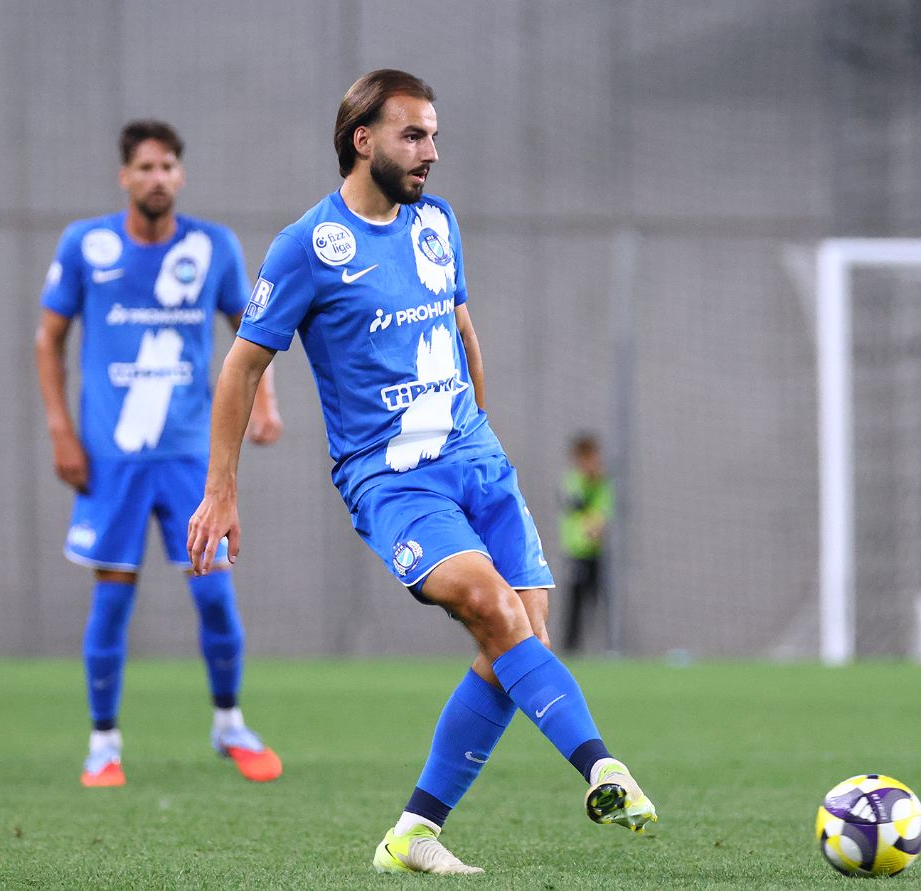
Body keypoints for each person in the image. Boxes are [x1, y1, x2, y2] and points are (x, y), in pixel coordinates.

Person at [187, 70, 657, 874]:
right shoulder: (308, 246)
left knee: (520, 634)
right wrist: (220, 490)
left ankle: (413, 833)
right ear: (362, 139)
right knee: (493, 607)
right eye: (413, 135)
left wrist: (480, 436)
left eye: (434, 135)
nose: (431, 151)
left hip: (475, 460)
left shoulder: (437, 223)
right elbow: (241, 368)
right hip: (394, 479)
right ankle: (601, 767)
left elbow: (463, 330)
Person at [35, 119, 284, 788]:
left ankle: (229, 723)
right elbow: (48, 339)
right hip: (112, 458)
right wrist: (61, 430)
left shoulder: (212, 246)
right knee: (112, 601)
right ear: (125, 176)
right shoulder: (86, 244)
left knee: (215, 596)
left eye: (167, 166)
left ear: (181, 175)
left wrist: (265, 403)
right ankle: (103, 742)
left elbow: (251, 328)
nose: (157, 178)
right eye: (145, 167)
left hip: (190, 457)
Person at [560, 434, 614, 652]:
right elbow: (578, 505)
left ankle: (609, 646)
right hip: (577, 551)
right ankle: (571, 648)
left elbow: (603, 512)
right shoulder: (573, 481)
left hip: (597, 551)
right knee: (575, 601)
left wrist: (597, 524)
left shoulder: (602, 483)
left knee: (601, 598)